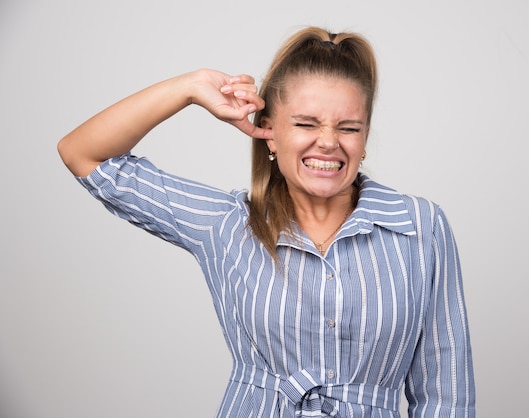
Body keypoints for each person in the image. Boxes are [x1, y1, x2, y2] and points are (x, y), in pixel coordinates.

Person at [58, 26, 475, 417]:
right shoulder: (227, 224)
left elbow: (446, 392)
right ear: (270, 132)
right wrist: (188, 88)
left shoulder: (419, 225)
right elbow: (84, 154)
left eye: (348, 127)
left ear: (364, 139)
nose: (328, 142)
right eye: (305, 123)